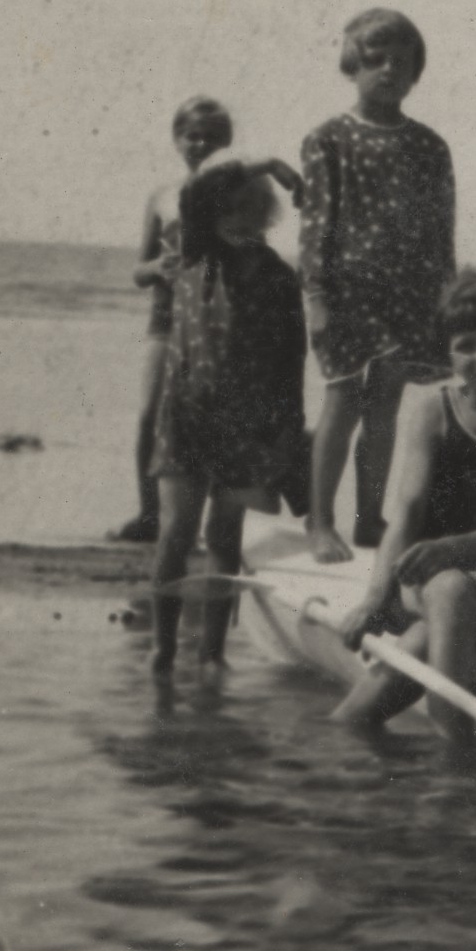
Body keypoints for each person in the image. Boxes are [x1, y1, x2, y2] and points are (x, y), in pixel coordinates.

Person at [332, 270, 476, 735]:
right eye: (466, 345)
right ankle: (452, 757)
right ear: (448, 355)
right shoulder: (435, 410)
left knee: (354, 717)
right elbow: (408, 511)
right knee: (448, 590)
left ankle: (445, 747)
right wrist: (374, 599)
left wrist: (453, 550)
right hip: (423, 577)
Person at [300, 9, 455, 563]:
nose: (390, 71)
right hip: (345, 292)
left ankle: (369, 519)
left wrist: (447, 294)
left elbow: (442, 228)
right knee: (340, 402)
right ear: (352, 65)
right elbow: (316, 222)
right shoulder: (328, 139)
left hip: (407, 292)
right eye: (376, 60)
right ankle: (320, 522)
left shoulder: (430, 147)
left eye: (403, 62)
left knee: (385, 406)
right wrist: (316, 295)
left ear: (416, 72)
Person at [145, 154, 305, 672]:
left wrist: (286, 433)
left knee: (225, 536)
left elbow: (291, 360)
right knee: (175, 532)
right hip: (186, 417)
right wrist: (262, 165)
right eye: (227, 209)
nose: (237, 219)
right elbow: (195, 192)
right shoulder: (193, 256)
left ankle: (212, 651)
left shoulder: (280, 278)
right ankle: (162, 645)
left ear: (267, 216)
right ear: (210, 214)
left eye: (250, 210)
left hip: (248, 425)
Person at [117, 96, 238, 545]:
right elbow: (138, 270)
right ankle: (149, 514)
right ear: (176, 139)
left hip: (219, 323)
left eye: (211, 136)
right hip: (166, 319)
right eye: (192, 135)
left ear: (226, 143)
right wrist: (158, 269)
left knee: (213, 420)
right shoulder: (162, 196)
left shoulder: (237, 191)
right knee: (150, 415)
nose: (201, 143)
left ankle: (206, 522)